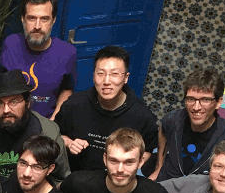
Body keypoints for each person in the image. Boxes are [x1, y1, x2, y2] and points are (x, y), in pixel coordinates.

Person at [54, 45, 158, 174]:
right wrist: (69, 143)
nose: (106, 81)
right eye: (100, 73)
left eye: (114, 74)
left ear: (126, 77)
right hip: (74, 176)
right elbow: (56, 135)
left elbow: (148, 150)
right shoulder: (74, 104)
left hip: (116, 180)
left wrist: (125, 171)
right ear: (93, 76)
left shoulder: (142, 115)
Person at [0, 0, 77, 117]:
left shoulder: (67, 53)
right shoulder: (11, 44)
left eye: (44, 19)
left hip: (45, 122)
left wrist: (54, 121)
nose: (37, 26)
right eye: (32, 18)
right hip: (12, 120)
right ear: (23, 19)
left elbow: (67, 89)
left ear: (53, 20)